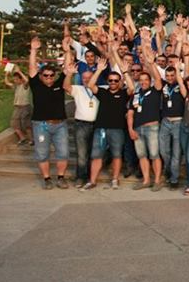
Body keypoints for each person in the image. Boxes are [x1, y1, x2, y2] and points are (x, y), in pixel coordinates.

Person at [81, 58, 134, 190]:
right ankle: (92, 181)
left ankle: (115, 179)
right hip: (101, 129)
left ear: (119, 82)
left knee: (117, 155)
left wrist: (125, 72)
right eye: (110, 80)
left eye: (116, 80)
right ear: (107, 81)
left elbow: (132, 88)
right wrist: (99, 70)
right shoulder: (103, 92)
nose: (113, 82)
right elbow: (91, 85)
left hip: (117, 129)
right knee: (96, 156)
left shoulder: (123, 94)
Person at [28, 36, 70, 190]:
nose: (49, 78)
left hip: (60, 124)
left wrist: (67, 51)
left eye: (51, 75)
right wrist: (33, 50)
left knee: (63, 153)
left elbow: (67, 68)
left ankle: (61, 178)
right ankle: (46, 179)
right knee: (42, 153)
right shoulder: (36, 85)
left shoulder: (59, 84)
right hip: (41, 125)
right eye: (45, 75)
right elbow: (32, 68)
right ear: (41, 76)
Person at [127, 43, 164, 191]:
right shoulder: (136, 94)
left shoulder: (155, 90)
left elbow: (158, 79)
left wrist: (151, 63)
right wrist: (130, 129)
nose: (143, 82)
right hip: (137, 129)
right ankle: (146, 180)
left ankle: (157, 180)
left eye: (146, 79)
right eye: (141, 80)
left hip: (152, 127)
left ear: (149, 81)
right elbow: (130, 113)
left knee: (154, 155)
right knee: (142, 155)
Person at [62, 59, 98, 188]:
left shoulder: (99, 90)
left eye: (89, 78)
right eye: (84, 78)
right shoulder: (78, 89)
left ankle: (90, 176)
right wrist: (69, 74)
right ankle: (81, 177)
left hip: (96, 125)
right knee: (82, 153)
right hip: (81, 125)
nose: (87, 80)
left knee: (95, 153)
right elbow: (66, 86)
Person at [159, 65, 187, 190]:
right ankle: (169, 168)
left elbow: (184, 94)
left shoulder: (181, 85)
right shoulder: (164, 86)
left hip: (178, 122)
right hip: (165, 121)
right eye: (167, 76)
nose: (170, 78)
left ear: (176, 75)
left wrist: (178, 74)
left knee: (176, 152)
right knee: (163, 150)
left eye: (172, 75)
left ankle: (174, 179)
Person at [5, 66, 32, 145]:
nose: (15, 81)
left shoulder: (25, 85)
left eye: (17, 79)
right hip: (17, 108)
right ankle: (22, 138)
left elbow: (27, 80)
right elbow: (7, 82)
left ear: (21, 79)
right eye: (14, 79)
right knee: (14, 124)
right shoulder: (16, 86)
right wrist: (6, 75)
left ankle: (31, 139)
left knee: (26, 124)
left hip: (25, 107)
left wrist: (19, 72)